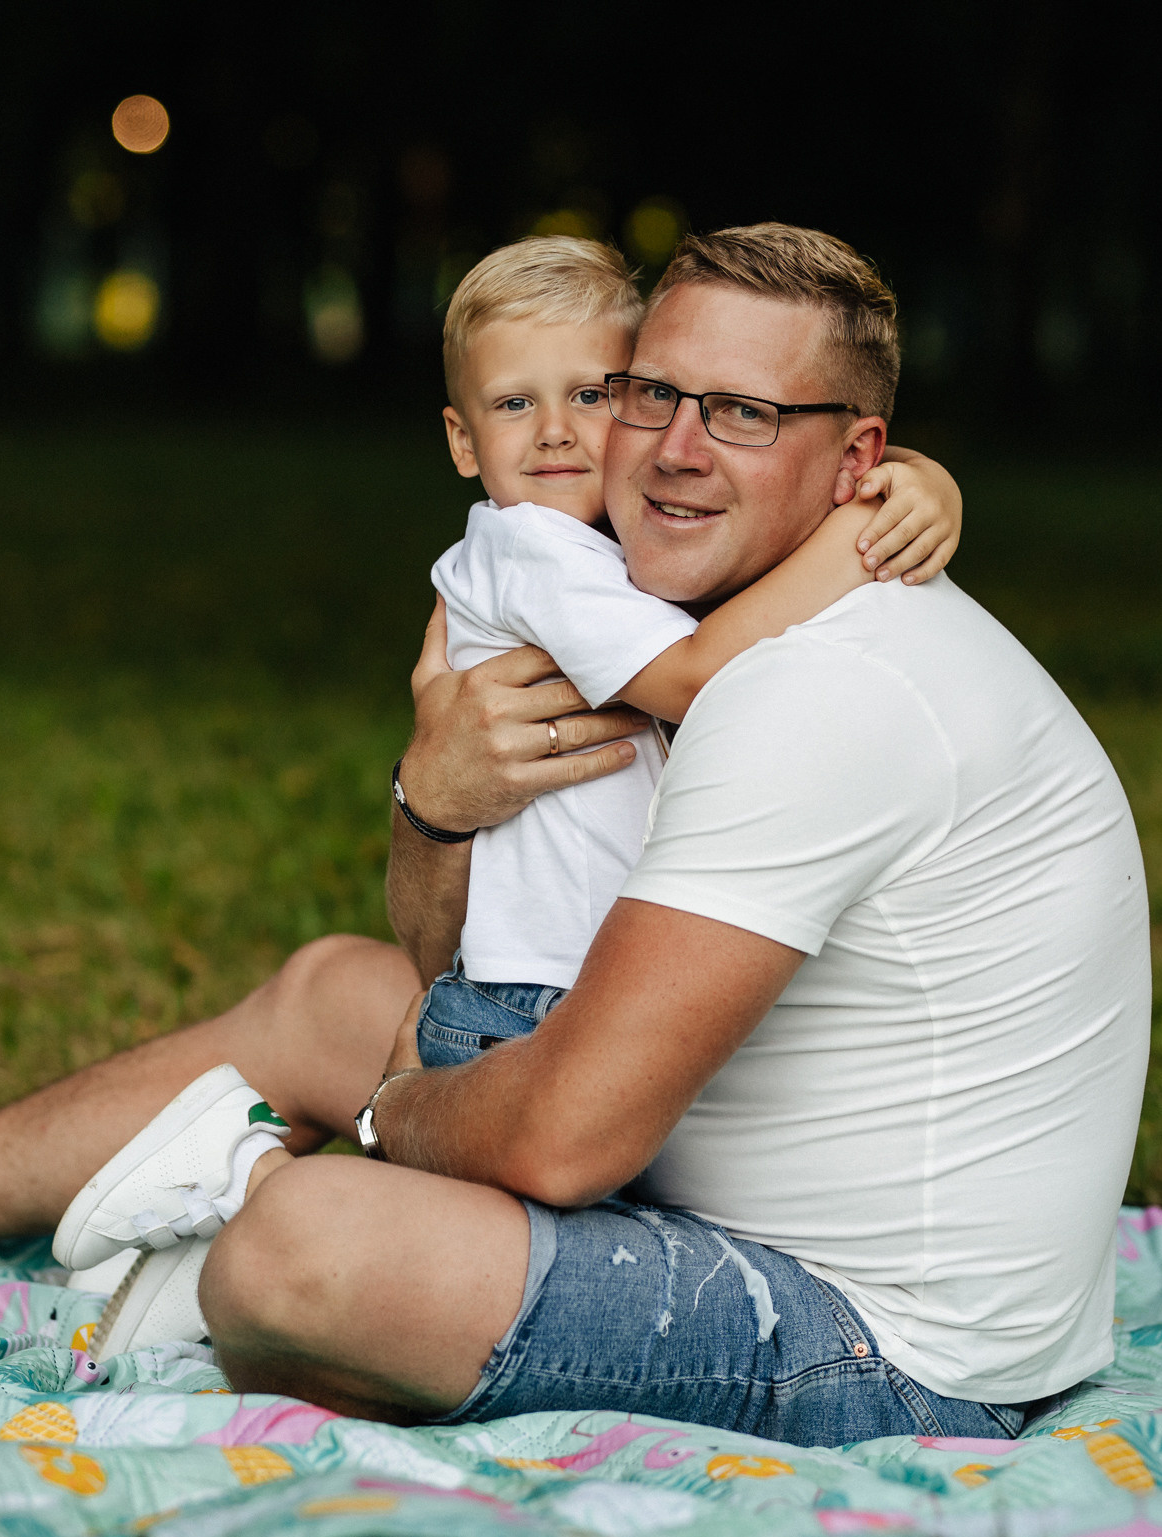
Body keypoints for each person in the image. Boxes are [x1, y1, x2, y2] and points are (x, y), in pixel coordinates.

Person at [0, 223, 1151, 1450]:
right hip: (719, 1157)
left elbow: (565, 1137)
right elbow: (448, 955)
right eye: (651, 393)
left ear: (858, 462)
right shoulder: (663, 606)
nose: (672, 450)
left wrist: (390, 1120)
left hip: (893, 1353)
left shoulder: (810, 689)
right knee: (338, 990)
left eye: (747, 415)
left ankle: (221, 1227)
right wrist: (436, 801)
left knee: (301, 1241)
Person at [410, 232, 960, 1068]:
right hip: (534, 995)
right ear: (462, 442)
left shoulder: (595, 546)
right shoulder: (533, 551)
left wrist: (918, 476)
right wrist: (858, 530)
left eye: (590, 395)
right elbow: (697, 677)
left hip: (551, 975)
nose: (555, 433)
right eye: (515, 404)